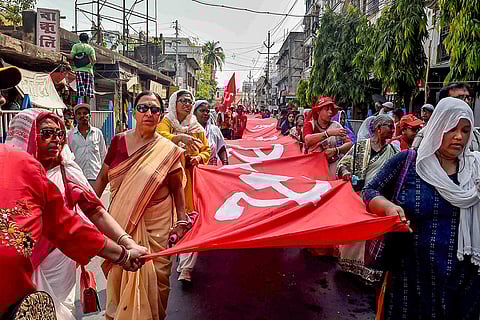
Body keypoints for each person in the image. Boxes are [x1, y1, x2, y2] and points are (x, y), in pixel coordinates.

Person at [6, 108, 147, 320]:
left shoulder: (66, 170)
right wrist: (122, 255)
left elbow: (90, 215)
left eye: (60, 133)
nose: (55, 139)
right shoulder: (11, 169)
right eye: (46, 133)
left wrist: (126, 244)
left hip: (58, 260)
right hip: (19, 264)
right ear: (26, 135)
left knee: (56, 311)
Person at [363, 97, 480, 319]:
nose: (459, 137)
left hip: (461, 282)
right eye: (451, 128)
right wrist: (388, 207)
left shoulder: (474, 170)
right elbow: (370, 191)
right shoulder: (408, 161)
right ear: (437, 127)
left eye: (465, 130)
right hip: (410, 277)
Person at [95, 90, 189, 320]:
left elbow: (177, 189)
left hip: (157, 229)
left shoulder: (168, 151)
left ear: (160, 115)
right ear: (134, 113)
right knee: (118, 280)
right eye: (143, 108)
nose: (148, 113)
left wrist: (182, 220)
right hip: (119, 226)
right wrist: (87, 211)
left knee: (157, 284)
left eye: (154, 109)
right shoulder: (118, 142)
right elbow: (102, 178)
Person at [336, 115, 399, 285]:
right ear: (378, 129)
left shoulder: (394, 151)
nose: (393, 130)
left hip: (380, 199)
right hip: (359, 197)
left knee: (375, 235)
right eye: (389, 127)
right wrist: (346, 172)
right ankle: (351, 266)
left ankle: (370, 270)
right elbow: (343, 163)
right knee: (356, 233)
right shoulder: (360, 147)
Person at [157, 89, 211, 283]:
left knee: (190, 219)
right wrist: (179, 138)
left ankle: (186, 267)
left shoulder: (196, 127)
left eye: (189, 101)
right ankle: (164, 260)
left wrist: (198, 157)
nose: (187, 104)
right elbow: (158, 137)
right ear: (174, 102)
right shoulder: (166, 122)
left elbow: (206, 149)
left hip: (189, 179)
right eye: (183, 101)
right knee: (167, 221)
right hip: (166, 179)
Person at [303, 96, 353, 177]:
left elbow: (349, 143)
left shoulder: (336, 125)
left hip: (332, 165)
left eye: (331, 110)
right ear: (318, 111)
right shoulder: (309, 125)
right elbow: (307, 140)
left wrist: (336, 150)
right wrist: (328, 133)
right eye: (327, 109)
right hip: (312, 166)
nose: (330, 112)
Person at [67, 103, 106, 187]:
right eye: (79, 113)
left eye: (85, 113)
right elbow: (67, 157)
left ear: (90, 115)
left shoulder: (97, 133)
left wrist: (104, 176)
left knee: (95, 199)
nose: (82, 115)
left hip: (95, 176)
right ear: (76, 117)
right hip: (78, 177)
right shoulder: (70, 135)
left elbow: (103, 154)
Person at [194, 100, 228, 165]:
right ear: (194, 112)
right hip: (194, 169)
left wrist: (225, 163)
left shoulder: (214, 129)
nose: (205, 113)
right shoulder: (188, 130)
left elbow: (221, 148)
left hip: (211, 168)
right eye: (202, 111)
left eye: (207, 111)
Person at [70, 33, 96, 103]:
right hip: (88, 71)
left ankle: (81, 105)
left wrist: (62, 54)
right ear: (87, 39)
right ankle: (87, 106)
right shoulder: (90, 48)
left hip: (78, 71)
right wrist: (90, 65)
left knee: (80, 89)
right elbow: (94, 60)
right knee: (88, 90)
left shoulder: (75, 46)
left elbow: (71, 57)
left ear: (79, 39)